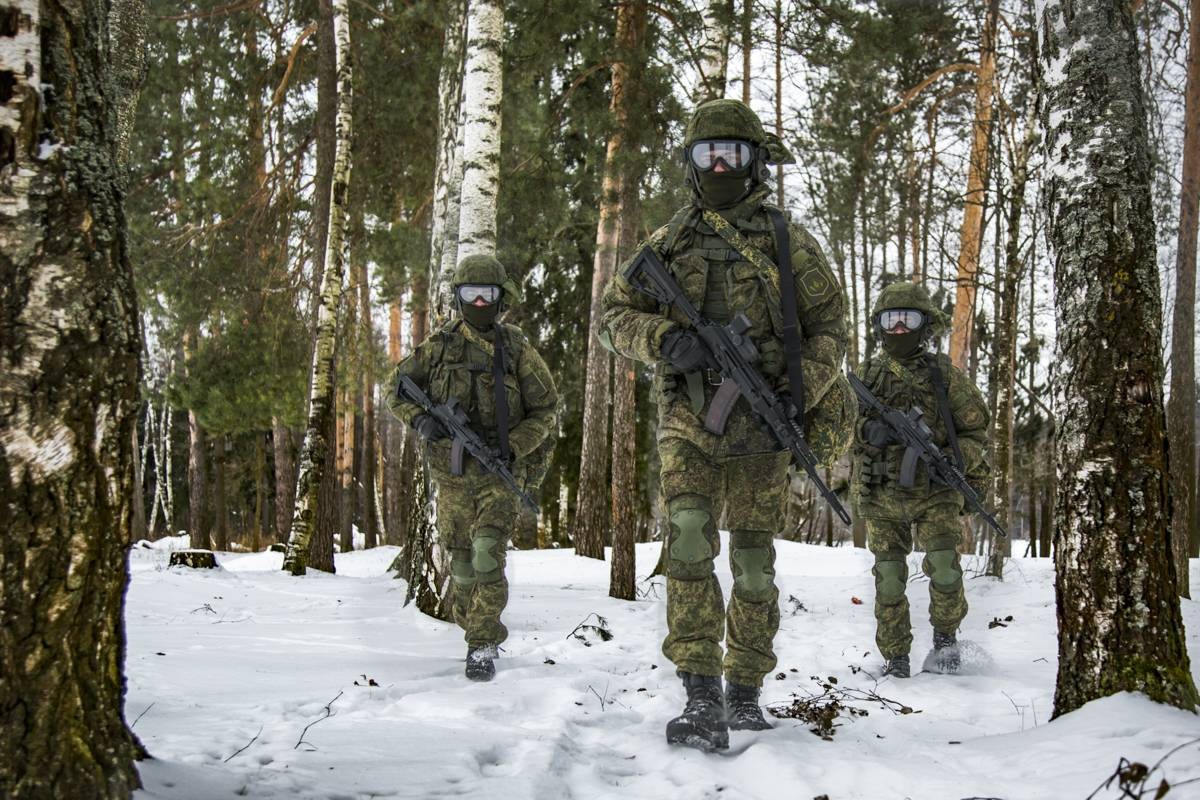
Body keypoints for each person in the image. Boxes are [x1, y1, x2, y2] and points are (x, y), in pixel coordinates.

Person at [598, 99, 854, 751]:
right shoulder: (671, 240)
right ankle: (700, 690)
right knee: (687, 541)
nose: (719, 166)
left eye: (732, 155)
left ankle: (743, 690)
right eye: (707, 154)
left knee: (754, 564)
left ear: (754, 162)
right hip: (688, 421)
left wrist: (798, 387)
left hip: (763, 430)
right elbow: (611, 316)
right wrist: (663, 339)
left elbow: (831, 327)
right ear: (689, 163)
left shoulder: (789, 242)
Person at [386, 254, 557, 681]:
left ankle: (482, 643)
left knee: (486, 554)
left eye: (488, 295)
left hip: (498, 474)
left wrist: (513, 445)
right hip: (453, 476)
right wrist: (421, 419)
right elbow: (395, 388)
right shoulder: (440, 346)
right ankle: (472, 623)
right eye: (470, 294)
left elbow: (546, 408)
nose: (479, 303)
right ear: (458, 297)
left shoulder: (515, 348)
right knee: (460, 564)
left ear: (502, 299)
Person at [849, 280, 991, 679]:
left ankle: (946, 640)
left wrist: (953, 458)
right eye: (890, 320)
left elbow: (976, 429)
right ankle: (896, 657)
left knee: (945, 568)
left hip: (935, 490)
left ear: (924, 324)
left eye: (907, 319)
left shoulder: (943, 374)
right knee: (890, 579)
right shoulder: (866, 375)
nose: (898, 328)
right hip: (882, 492)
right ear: (878, 325)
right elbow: (839, 425)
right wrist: (865, 433)